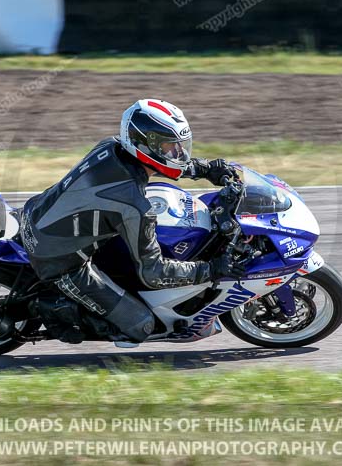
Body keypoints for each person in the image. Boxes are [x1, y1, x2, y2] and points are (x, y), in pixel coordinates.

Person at [19, 99, 245, 343]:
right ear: (146, 145)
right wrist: (210, 270)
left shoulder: (112, 147)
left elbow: (159, 165)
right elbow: (154, 273)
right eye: (171, 147)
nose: (179, 154)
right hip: (59, 261)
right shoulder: (134, 206)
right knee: (142, 325)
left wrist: (203, 169)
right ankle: (57, 313)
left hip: (39, 214)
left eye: (181, 146)